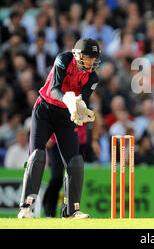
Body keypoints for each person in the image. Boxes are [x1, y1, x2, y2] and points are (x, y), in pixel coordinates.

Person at [18, 38, 100, 219]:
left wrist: (82, 108)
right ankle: (26, 207)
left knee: (75, 160)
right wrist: (70, 100)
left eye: (94, 59)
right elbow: (55, 89)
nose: (91, 62)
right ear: (77, 55)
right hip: (45, 109)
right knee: (37, 155)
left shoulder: (92, 77)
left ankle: (71, 211)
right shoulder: (63, 59)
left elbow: (84, 97)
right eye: (88, 58)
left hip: (65, 115)